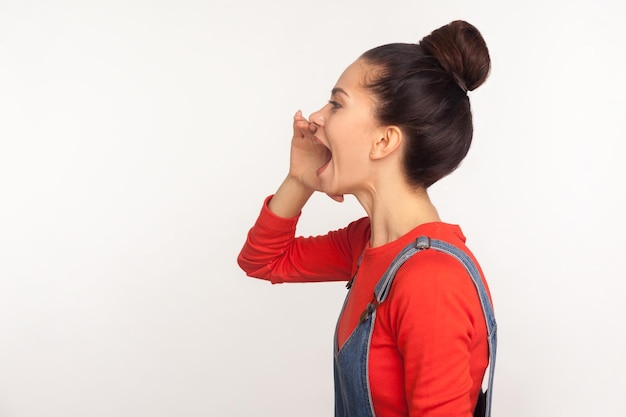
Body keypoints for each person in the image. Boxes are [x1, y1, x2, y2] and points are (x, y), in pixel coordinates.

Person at [237, 20, 495, 417]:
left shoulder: (432, 281)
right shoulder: (370, 243)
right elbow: (264, 261)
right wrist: (299, 179)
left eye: (337, 104)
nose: (317, 117)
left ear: (384, 141)